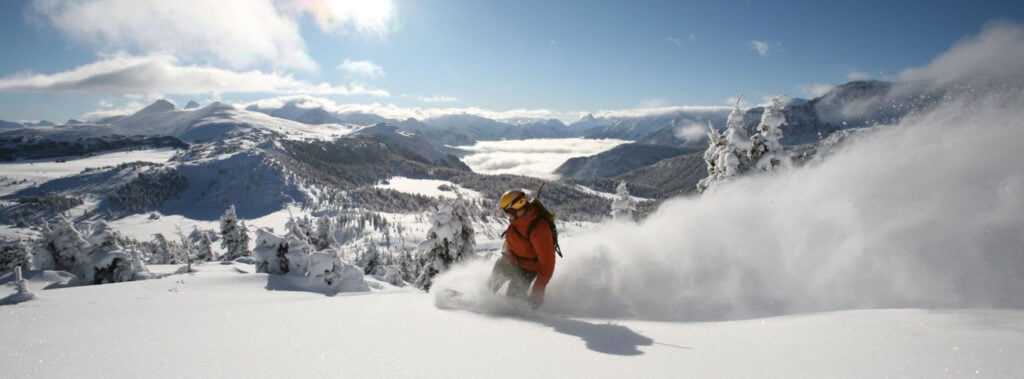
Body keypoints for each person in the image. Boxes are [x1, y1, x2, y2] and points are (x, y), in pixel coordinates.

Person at [487, 189, 556, 309]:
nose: (506, 215)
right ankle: (483, 301)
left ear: (514, 209)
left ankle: (521, 315)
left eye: (507, 212)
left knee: (512, 302)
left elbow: (547, 263)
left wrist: (538, 290)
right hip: (511, 261)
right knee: (490, 287)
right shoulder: (519, 219)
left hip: (527, 270)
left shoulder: (539, 229)